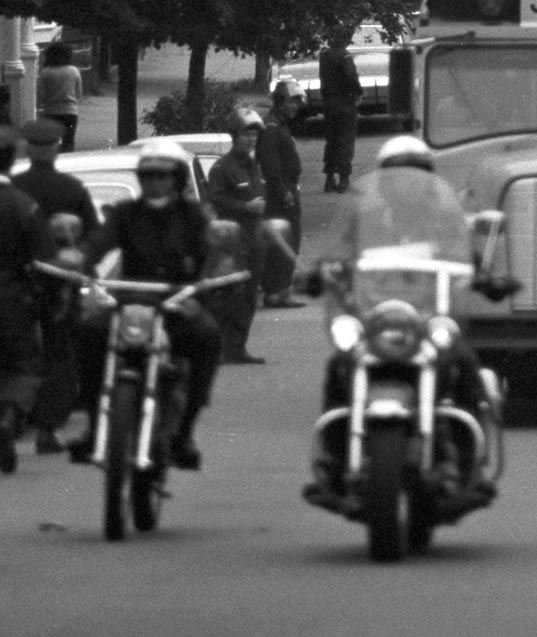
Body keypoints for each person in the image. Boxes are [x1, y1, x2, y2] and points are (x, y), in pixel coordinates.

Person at [304, 135, 497, 505]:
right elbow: (338, 252)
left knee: (464, 365)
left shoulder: (444, 217)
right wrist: (319, 272)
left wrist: (487, 276)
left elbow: (466, 256)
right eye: (397, 176)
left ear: (426, 177)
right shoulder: (367, 217)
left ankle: (467, 468)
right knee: (339, 368)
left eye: (414, 175)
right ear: (385, 181)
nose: (406, 183)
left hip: (427, 318)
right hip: (375, 317)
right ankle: (335, 462)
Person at [68, 148, 221, 469]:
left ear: (175, 180)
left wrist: (201, 291)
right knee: (87, 330)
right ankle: (95, 425)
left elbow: (211, 258)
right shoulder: (125, 213)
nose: (153, 182)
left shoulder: (194, 215)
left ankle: (185, 432)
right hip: (130, 301)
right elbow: (99, 242)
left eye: (161, 176)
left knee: (208, 336)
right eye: (147, 175)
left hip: (177, 304)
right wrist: (82, 262)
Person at [11, 117, 98, 451]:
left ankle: (16, 414)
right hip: (60, 286)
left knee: (18, 351)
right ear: (57, 148)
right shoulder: (72, 189)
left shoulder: (14, 187)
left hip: (18, 282)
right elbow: (92, 235)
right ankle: (49, 424)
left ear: (28, 148)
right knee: (60, 352)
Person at [0, 128, 54, 474]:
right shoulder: (25, 206)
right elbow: (45, 260)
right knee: (25, 365)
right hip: (13, 299)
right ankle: (8, 415)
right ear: (11, 163)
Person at [205, 112, 269, 364]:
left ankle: (238, 348)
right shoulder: (223, 167)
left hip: (254, 240)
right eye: (246, 135)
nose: (251, 139)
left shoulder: (254, 165)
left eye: (254, 135)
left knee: (250, 296)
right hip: (231, 243)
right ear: (235, 137)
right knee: (231, 296)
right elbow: (215, 199)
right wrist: (245, 208)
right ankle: (222, 348)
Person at [256, 81, 306, 309]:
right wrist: (283, 190)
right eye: (292, 101)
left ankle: (281, 290)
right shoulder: (271, 127)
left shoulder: (280, 124)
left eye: (298, 102)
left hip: (287, 189)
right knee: (285, 242)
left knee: (290, 241)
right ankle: (276, 292)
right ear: (279, 102)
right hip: (280, 195)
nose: (296, 106)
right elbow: (271, 163)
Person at [319, 28, 362, 194]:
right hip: (345, 101)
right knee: (345, 140)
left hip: (328, 102)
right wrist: (358, 92)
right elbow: (351, 76)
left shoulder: (324, 56)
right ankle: (344, 178)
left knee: (331, 140)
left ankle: (329, 178)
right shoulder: (345, 56)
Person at [36, 39, 83, 151]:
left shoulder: (46, 72)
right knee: (69, 140)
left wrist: (39, 107)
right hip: (70, 115)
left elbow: (40, 94)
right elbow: (79, 93)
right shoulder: (74, 71)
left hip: (50, 114)